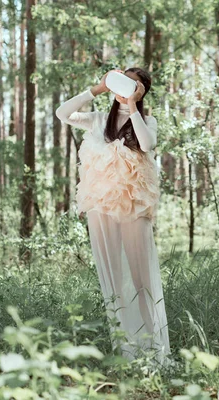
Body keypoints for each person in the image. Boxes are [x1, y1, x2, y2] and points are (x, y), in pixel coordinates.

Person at [55, 68, 171, 367]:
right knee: (113, 277)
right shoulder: (96, 120)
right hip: (101, 207)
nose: (126, 86)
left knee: (140, 274)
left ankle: (155, 350)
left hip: (134, 207)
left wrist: (132, 105)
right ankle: (127, 350)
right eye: (124, 80)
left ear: (142, 90)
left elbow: (146, 144)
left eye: (134, 83)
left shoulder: (146, 121)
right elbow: (62, 113)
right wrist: (98, 88)